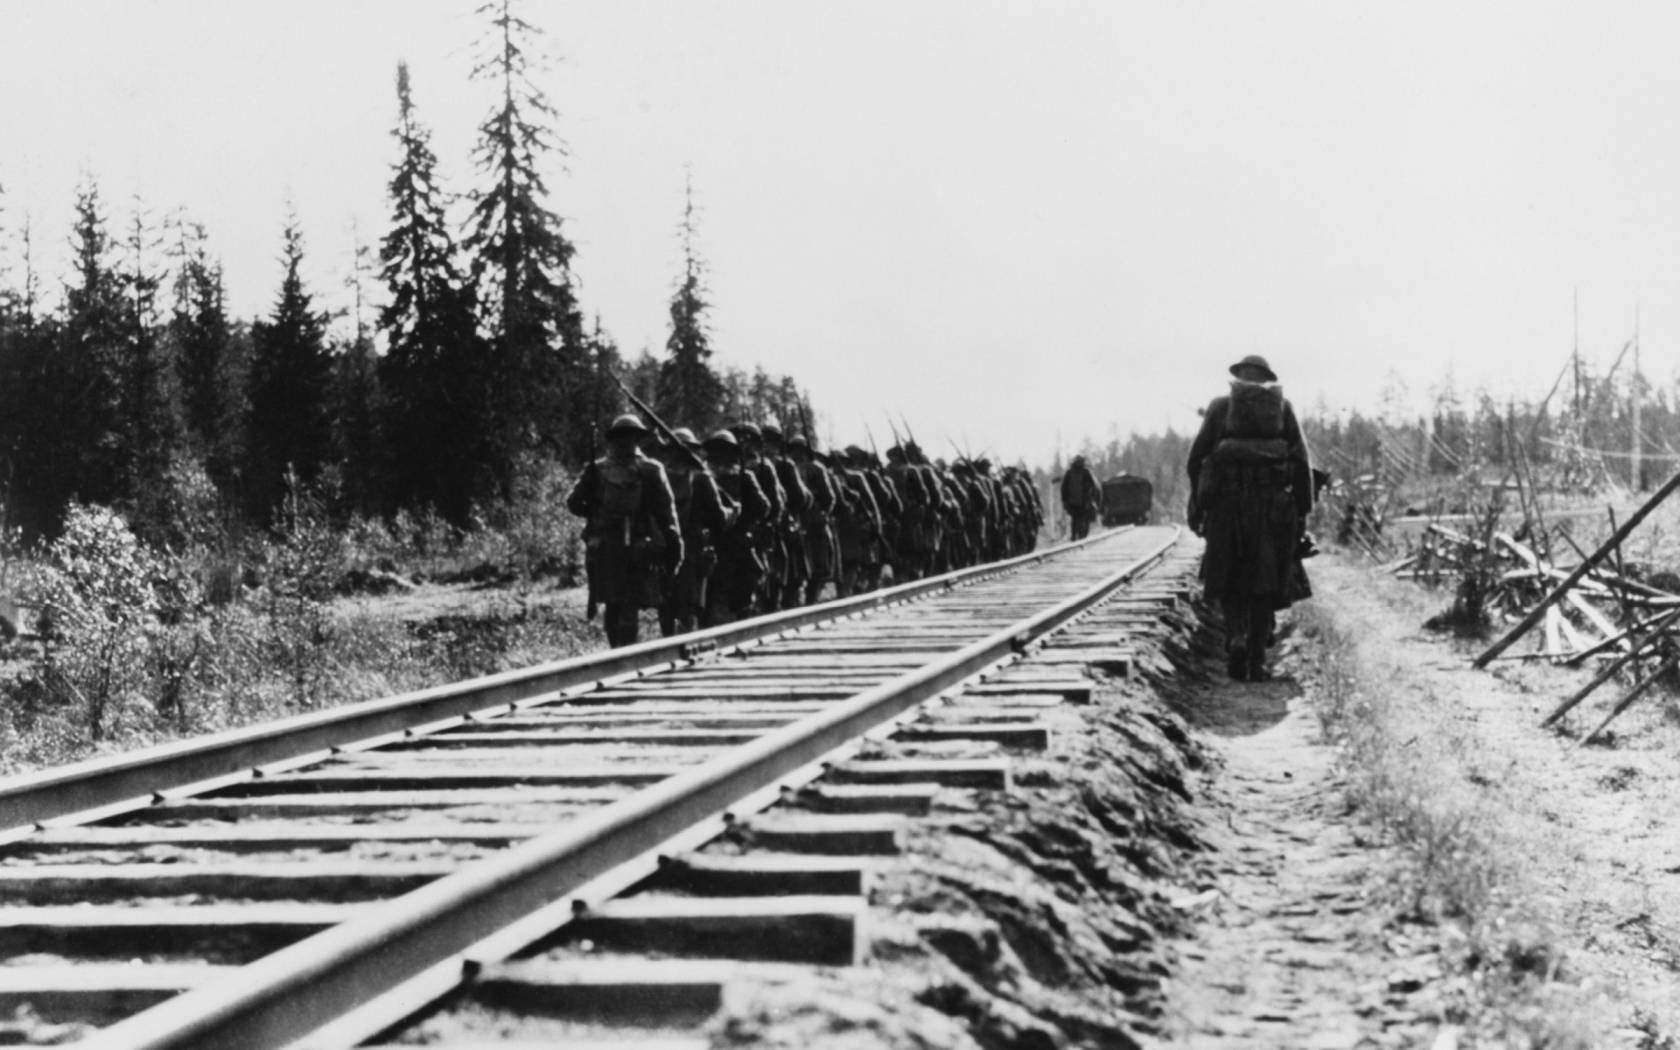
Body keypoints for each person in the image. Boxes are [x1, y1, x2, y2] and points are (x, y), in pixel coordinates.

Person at [1186, 354, 1314, 681]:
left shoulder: (1219, 408)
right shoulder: (1283, 409)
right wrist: (1302, 512)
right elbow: (1301, 462)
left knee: (1228, 576)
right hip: (1272, 508)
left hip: (1228, 505)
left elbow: (1196, 458)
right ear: (1266, 379)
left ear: (1238, 378)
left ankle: (1236, 637)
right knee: (1265, 582)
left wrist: (1199, 502)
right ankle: (1257, 659)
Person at [566, 414, 683, 648]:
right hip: (626, 546)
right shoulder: (647, 469)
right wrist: (675, 546)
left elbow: (575, 504)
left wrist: (595, 509)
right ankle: (621, 656)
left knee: (618, 602)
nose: (626, 442)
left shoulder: (604, 468)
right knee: (621, 601)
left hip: (618, 546)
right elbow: (667, 515)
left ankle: (621, 654)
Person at [654, 427, 737, 637]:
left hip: (662, 549)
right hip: (692, 552)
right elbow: (719, 519)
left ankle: (668, 647)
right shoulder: (702, 479)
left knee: (666, 605)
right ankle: (684, 651)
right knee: (688, 606)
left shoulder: (657, 476)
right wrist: (733, 512)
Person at [1060, 455, 1101, 540]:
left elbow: (1063, 488)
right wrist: (1093, 499)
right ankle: (1081, 536)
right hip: (1084, 501)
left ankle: (1074, 536)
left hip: (1072, 502)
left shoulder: (1069, 472)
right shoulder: (1086, 472)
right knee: (1084, 518)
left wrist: (1064, 501)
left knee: (1074, 519)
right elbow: (1094, 486)